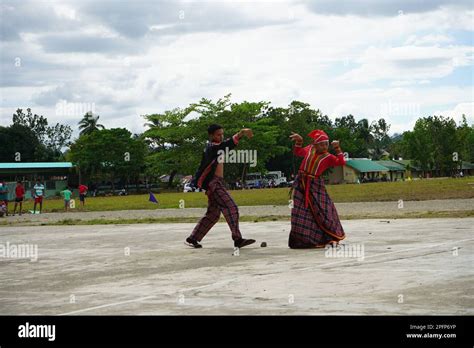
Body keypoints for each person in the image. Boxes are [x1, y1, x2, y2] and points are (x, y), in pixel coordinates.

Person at [185, 124, 256, 249]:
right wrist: (241, 133)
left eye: (222, 134)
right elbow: (226, 145)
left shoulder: (214, 147)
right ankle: (237, 239)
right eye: (218, 134)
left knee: (213, 214)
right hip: (214, 184)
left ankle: (193, 238)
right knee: (231, 207)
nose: (221, 136)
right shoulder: (212, 148)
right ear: (211, 135)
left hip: (216, 183)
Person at [288, 129, 346, 248]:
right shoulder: (310, 149)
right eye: (321, 144)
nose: (324, 146)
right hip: (301, 184)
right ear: (315, 144)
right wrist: (299, 141)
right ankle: (304, 240)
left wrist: (337, 149)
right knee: (300, 211)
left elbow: (341, 162)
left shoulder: (328, 157)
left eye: (326, 144)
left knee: (324, 210)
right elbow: (298, 151)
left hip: (315, 185)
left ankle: (332, 237)